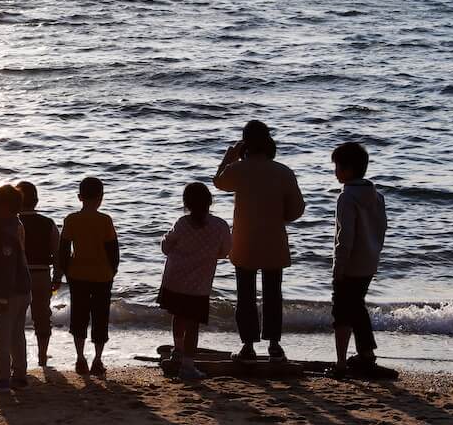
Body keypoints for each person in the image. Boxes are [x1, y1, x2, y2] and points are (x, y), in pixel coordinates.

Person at [213, 120, 306, 363]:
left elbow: (218, 182)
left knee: (246, 295)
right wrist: (279, 217)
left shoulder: (238, 170)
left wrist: (229, 156)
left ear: (245, 143)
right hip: (274, 240)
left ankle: (248, 346)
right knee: (273, 294)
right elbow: (297, 210)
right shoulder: (283, 171)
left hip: (244, 241)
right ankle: (274, 344)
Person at [157, 182, 232, 381]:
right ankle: (188, 366)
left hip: (175, 279)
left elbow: (166, 247)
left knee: (178, 315)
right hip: (199, 283)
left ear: (186, 204)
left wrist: (165, 239)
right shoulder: (220, 225)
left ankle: (178, 350)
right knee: (193, 324)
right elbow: (225, 251)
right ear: (210, 202)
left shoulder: (182, 223)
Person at [328, 142, 387, 379]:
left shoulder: (346, 197)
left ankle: (341, 363)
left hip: (350, 265)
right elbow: (382, 228)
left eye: (337, 167)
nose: (335, 172)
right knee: (357, 308)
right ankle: (366, 354)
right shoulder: (377, 196)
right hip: (369, 262)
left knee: (342, 311)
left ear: (348, 169)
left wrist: (338, 267)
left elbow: (346, 237)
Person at [59, 176, 119, 376]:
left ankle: (80, 358)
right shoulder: (105, 220)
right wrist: (113, 270)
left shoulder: (71, 219)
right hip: (102, 275)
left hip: (78, 274)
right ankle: (98, 359)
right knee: (100, 317)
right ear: (101, 198)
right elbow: (113, 250)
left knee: (79, 316)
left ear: (79, 197)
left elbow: (64, 250)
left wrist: (65, 271)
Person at [0, 184, 31, 392]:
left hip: (8, 290)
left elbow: (5, 265)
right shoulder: (17, 224)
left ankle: (2, 377)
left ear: (2, 206)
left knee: (0, 336)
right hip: (23, 286)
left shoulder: (4, 232)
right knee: (17, 334)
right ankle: (19, 374)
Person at [15, 180, 60, 367]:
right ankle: (42, 355)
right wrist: (57, 277)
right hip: (41, 274)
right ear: (37, 200)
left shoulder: (13, 222)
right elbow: (57, 253)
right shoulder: (48, 223)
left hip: (17, 274)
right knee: (42, 317)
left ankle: (16, 357)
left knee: (15, 317)